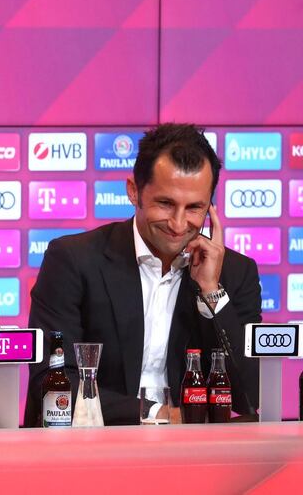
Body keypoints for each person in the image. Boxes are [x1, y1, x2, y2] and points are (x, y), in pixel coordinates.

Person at [24, 123, 260, 426]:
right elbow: (55, 384)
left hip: (196, 452)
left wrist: (211, 290)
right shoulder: (73, 259)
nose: (178, 224)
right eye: (165, 203)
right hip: (97, 446)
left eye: (194, 208)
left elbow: (249, 396)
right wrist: (160, 414)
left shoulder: (235, 273)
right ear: (134, 191)